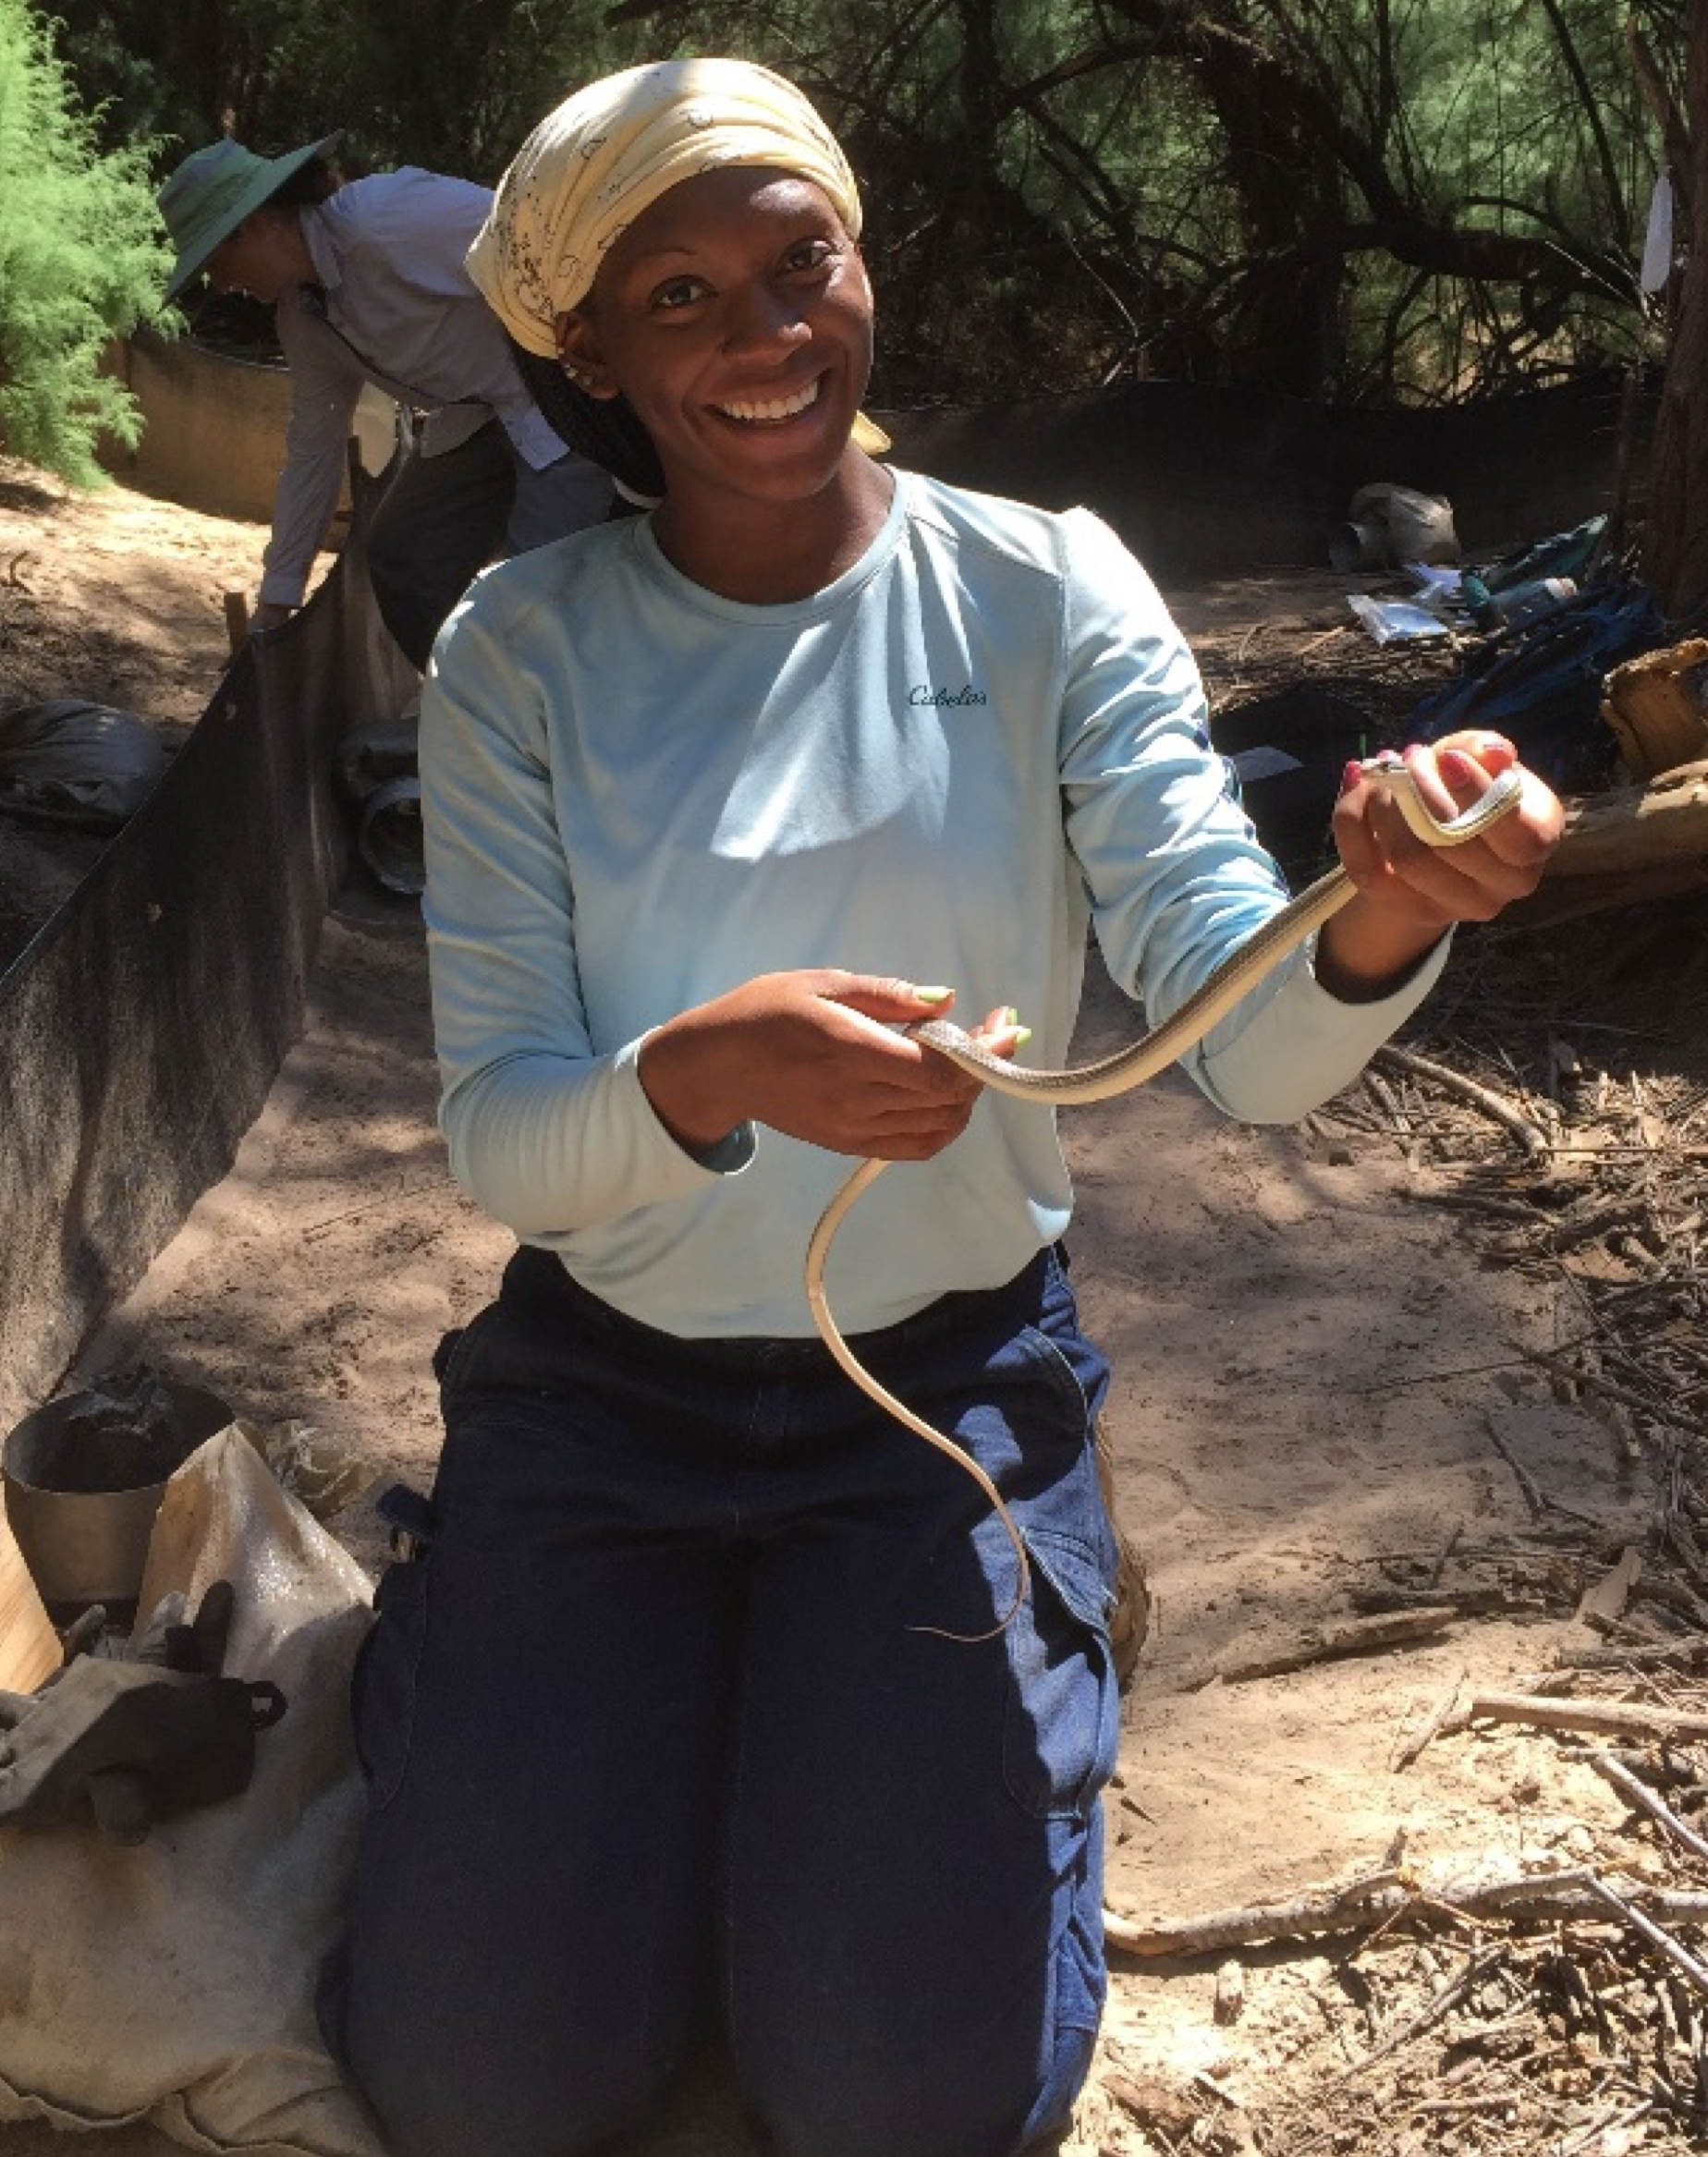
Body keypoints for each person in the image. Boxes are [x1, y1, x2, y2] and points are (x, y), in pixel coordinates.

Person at [318, 56, 1565, 2157]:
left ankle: (1000, 1641)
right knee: (478, 2085)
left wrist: (1376, 914)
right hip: (595, 1401)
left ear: (861, 261)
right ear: (593, 356)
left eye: (795, 261)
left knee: (907, 2100)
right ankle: (521, 1653)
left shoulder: (1045, 595)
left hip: (941, 1396)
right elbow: (505, 1137)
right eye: (680, 299)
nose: (763, 335)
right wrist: (707, 1071)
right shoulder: (516, 649)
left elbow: (1242, 1040)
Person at [156, 135, 615, 669]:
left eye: (216, 261)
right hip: (473, 420)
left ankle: (533, 726)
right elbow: (313, 452)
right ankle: (463, 705)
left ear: (254, 225)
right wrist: (276, 602)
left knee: (531, 597)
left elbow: (541, 247)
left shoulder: (387, 221)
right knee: (404, 556)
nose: (221, 284)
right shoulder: (303, 321)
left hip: (562, 399)